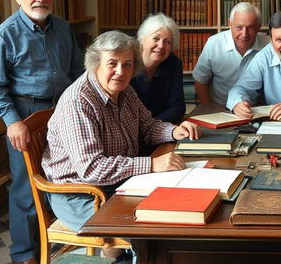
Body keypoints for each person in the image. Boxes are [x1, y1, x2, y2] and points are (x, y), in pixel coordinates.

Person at [42, 31, 199, 245]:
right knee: (148, 229)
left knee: (176, 207)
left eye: (127, 64)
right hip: (79, 194)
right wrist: (151, 164)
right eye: (112, 63)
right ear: (96, 64)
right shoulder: (78, 102)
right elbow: (92, 169)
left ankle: (125, 259)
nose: (120, 71)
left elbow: (147, 126)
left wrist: (173, 131)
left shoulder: (126, 91)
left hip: (118, 183)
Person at [0, 0, 84, 264]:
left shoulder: (63, 28)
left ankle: (64, 233)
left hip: (62, 110)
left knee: (67, 173)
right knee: (27, 186)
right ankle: (25, 253)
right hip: (25, 115)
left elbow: (79, 73)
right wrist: (13, 123)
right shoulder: (5, 35)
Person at [193, 2, 269, 106]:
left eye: (250, 28)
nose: (244, 34)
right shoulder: (214, 43)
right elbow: (200, 81)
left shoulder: (269, 45)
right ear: (230, 24)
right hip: (219, 109)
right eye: (239, 27)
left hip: (255, 109)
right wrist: (209, 110)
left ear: (259, 27)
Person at [131, 13, 185, 138]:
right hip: (130, 133)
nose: (161, 46)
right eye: (156, 39)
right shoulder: (127, 63)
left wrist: (151, 127)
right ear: (142, 39)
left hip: (160, 132)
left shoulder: (173, 64)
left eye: (167, 42)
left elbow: (177, 108)